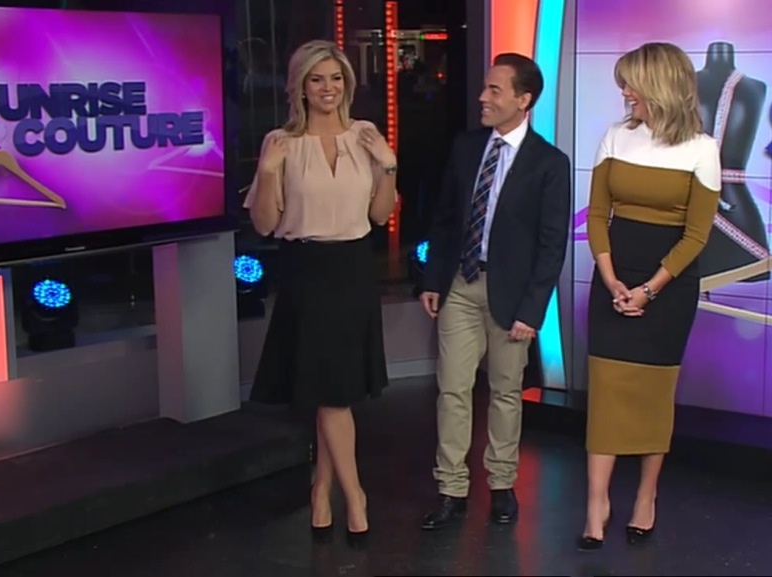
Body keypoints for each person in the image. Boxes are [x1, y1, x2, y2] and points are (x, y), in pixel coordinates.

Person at [243, 39, 397, 550]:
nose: (327, 88)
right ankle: (356, 498)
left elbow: (380, 215)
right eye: (317, 79)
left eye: (335, 78)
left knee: (335, 389)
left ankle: (320, 491)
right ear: (300, 87)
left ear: (346, 84)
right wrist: (268, 172)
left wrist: (388, 166)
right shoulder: (281, 143)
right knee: (332, 395)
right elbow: (265, 223)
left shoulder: (365, 136)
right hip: (306, 270)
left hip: (353, 269)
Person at [418, 53, 571, 530]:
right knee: (453, 389)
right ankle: (451, 490)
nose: (483, 97)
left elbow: (552, 245)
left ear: (524, 100)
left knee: (505, 392)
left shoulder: (549, 163)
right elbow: (444, 219)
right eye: (485, 88)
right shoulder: (466, 147)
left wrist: (533, 310)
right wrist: (433, 279)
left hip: (513, 297)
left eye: (494, 90)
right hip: (461, 285)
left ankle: (502, 484)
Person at [579, 42, 722, 550]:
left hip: (669, 286)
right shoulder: (615, 137)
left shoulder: (702, 148)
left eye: (631, 84)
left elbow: (697, 235)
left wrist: (649, 289)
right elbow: (598, 215)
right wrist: (610, 277)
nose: (624, 93)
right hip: (613, 277)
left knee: (651, 395)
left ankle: (645, 497)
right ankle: (596, 504)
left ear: (660, 85)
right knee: (606, 390)